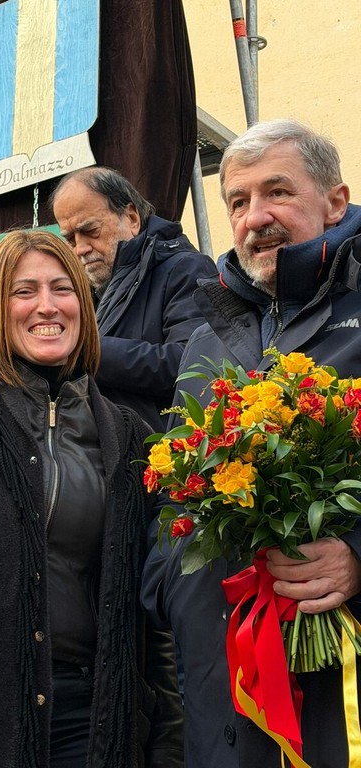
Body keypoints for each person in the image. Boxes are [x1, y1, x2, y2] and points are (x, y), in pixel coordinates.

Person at [141, 118, 361, 768]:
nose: (255, 217)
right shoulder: (207, 336)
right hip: (222, 679)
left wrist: (358, 556)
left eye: (277, 192)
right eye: (237, 201)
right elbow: (176, 489)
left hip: (339, 676)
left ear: (336, 202)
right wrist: (173, 589)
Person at [0, 230, 184, 768]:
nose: (47, 306)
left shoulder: (126, 434)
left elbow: (148, 606)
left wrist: (167, 738)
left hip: (96, 713)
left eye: (62, 289)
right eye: (23, 291)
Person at [49, 167, 216, 432]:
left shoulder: (186, 269)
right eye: (70, 239)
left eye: (91, 230)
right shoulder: (90, 288)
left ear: (131, 217)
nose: (80, 248)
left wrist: (88, 349)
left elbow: (193, 364)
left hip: (164, 451)